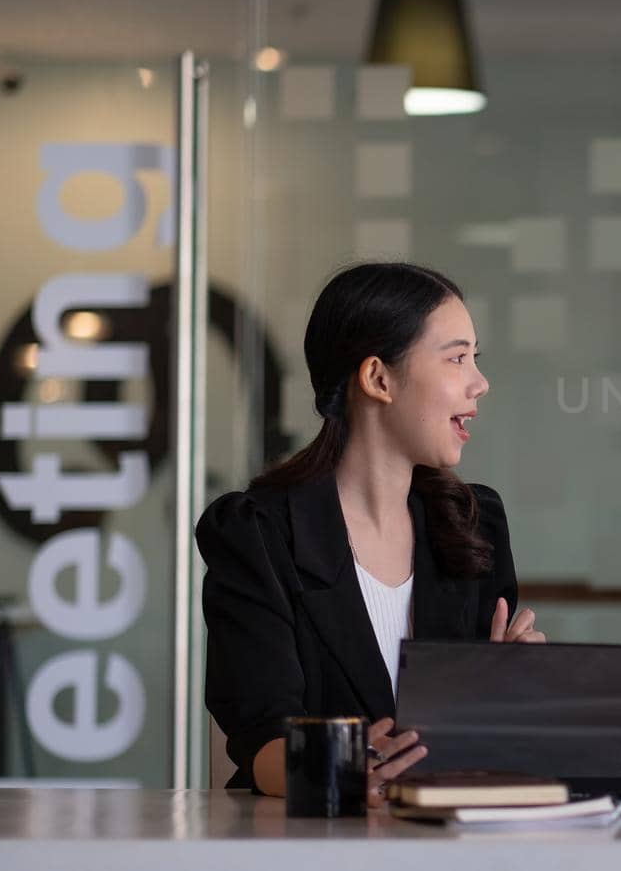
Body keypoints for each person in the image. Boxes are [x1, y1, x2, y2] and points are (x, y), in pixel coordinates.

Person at [197, 262, 545, 803]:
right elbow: (261, 742)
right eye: (457, 358)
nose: (480, 382)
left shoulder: (475, 524)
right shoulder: (257, 533)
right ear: (378, 378)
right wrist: (348, 766)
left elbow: (473, 755)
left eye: (476, 358)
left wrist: (501, 694)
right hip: (307, 847)